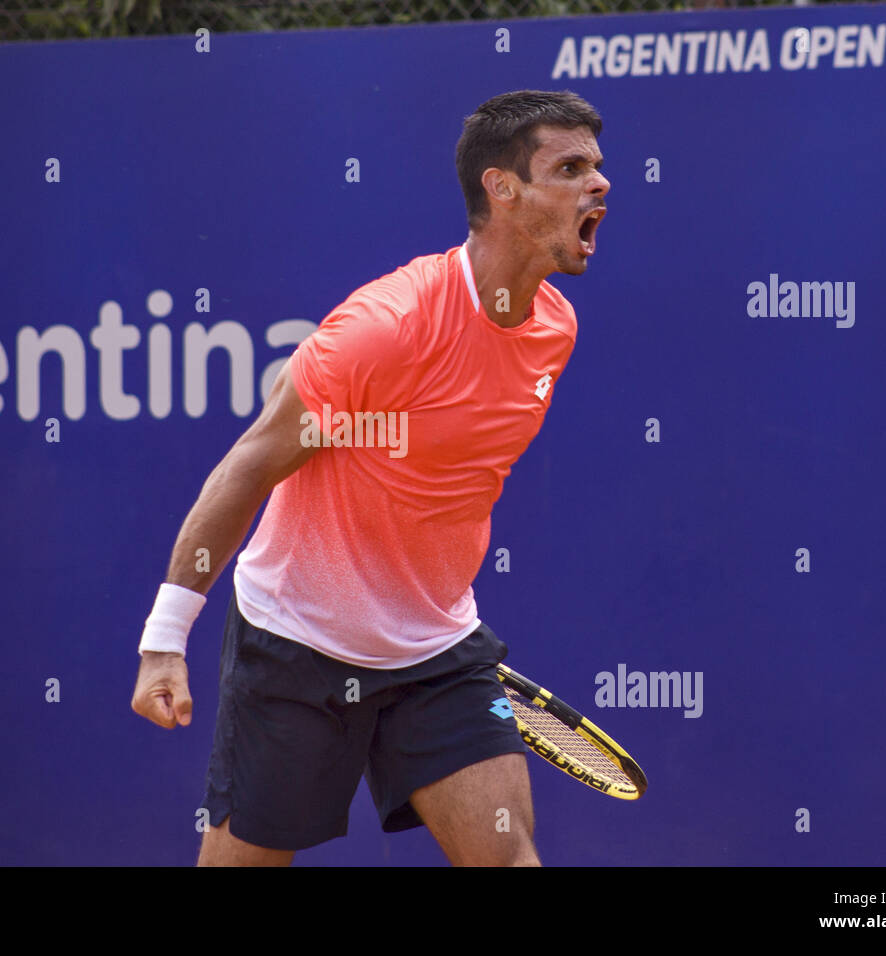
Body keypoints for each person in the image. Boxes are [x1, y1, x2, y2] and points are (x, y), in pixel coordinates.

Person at [130, 89, 609, 866]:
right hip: (298, 643)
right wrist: (163, 639)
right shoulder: (387, 328)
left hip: (438, 653)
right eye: (571, 167)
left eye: (598, 166)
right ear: (502, 187)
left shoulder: (555, 330)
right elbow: (250, 463)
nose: (600, 183)